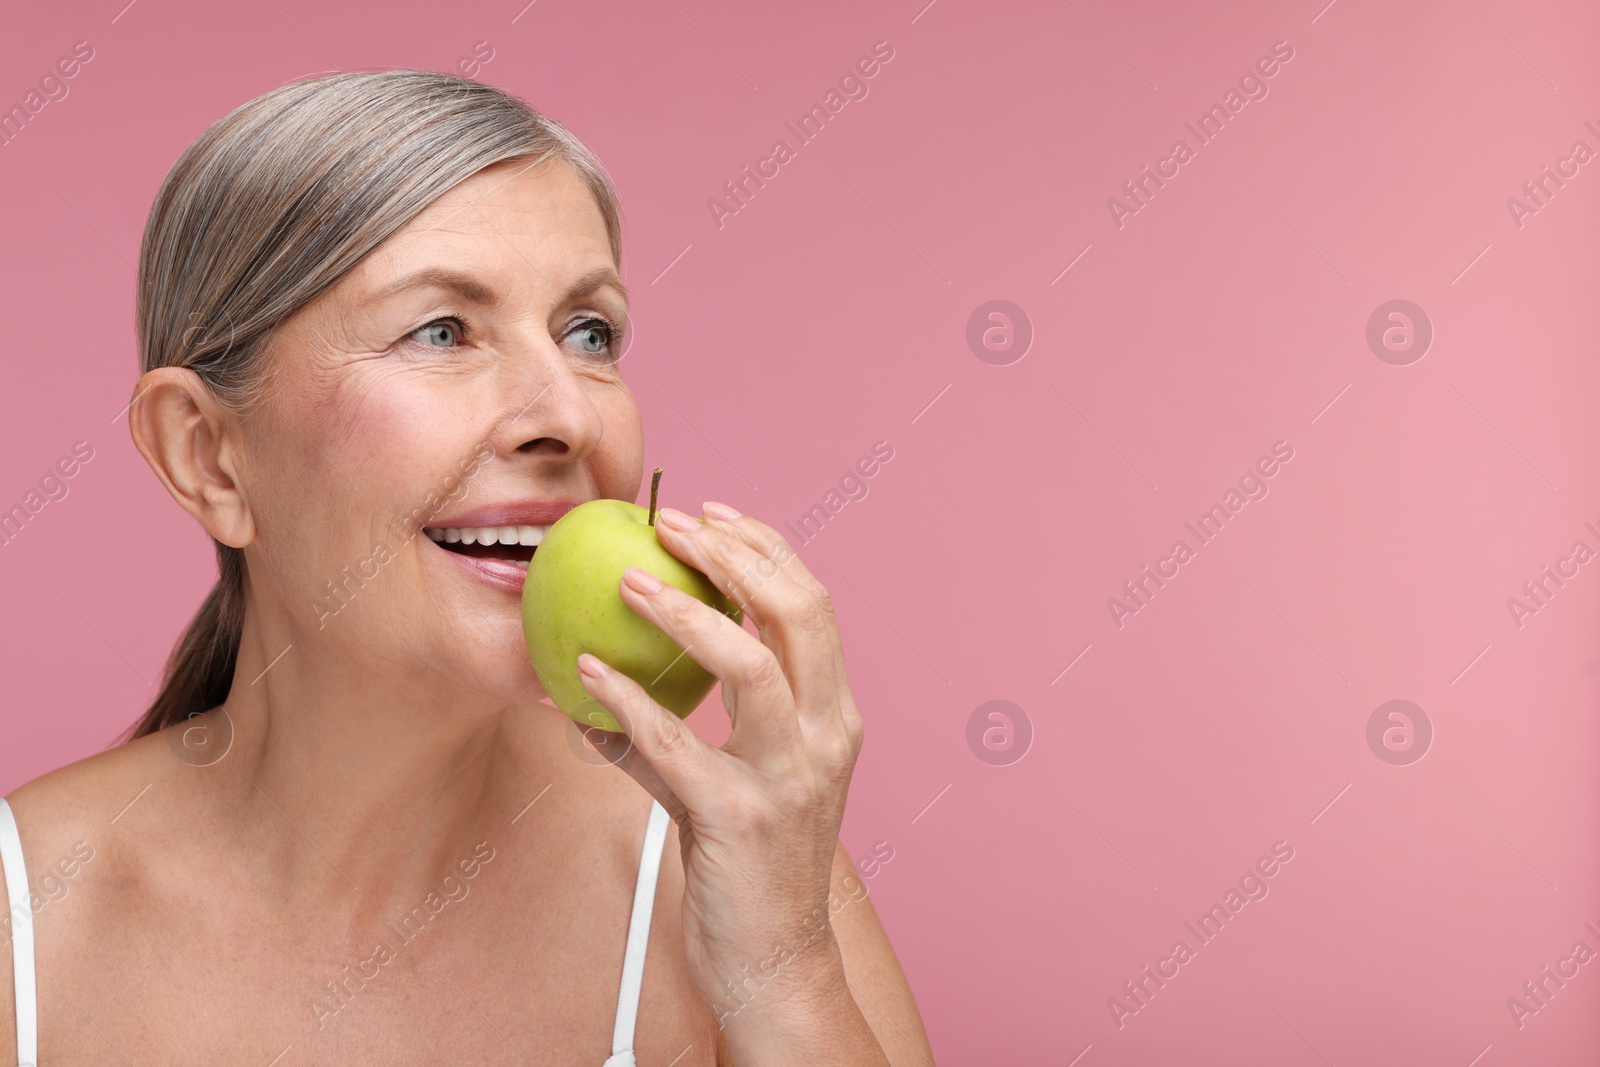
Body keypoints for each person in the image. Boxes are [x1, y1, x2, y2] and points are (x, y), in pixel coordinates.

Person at [0, 69, 933, 1066]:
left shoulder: (740, 867)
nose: (568, 415)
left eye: (590, 334)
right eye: (440, 329)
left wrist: (782, 966)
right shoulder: (29, 925)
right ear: (208, 453)